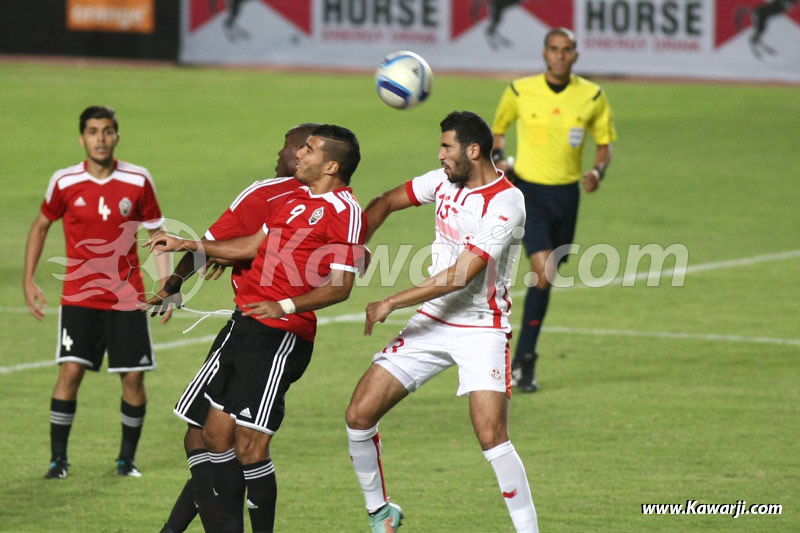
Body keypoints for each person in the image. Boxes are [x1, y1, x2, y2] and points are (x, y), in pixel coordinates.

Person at [147, 124, 366, 533]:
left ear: (331, 165)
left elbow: (342, 284)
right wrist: (188, 246)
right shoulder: (294, 200)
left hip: (281, 333)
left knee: (250, 446)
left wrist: (283, 303)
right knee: (212, 436)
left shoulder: (346, 210)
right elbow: (250, 246)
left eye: (309, 149)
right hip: (247, 324)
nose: (298, 155)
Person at [345, 111, 538, 533]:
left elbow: (460, 275)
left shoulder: (507, 202)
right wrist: (357, 245)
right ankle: (381, 515)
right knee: (359, 414)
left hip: (481, 329)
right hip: (433, 320)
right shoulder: (443, 181)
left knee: (492, 436)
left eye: (447, 147)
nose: (440, 155)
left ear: (473, 150)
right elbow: (385, 201)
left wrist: (390, 302)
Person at [22, 105, 171, 479]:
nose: (100, 139)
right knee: (71, 372)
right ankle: (58, 461)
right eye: (92, 131)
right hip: (79, 298)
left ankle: (126, 460)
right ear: (82, 138)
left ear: (116, 136)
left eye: (106, 131)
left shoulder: (138, 179)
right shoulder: (64, 181)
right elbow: (41, 226)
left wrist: (167, 286)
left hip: (127, 299)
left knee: (133, 378)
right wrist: (28, 279)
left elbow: (157, 234)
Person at [491, 27, 617, 392]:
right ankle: (524, 360)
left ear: (575, 55)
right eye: (555, 49)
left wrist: (597, 171)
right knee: (543, 270)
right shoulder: (519, 90)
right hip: (528, 191)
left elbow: (605, 144)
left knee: (548, 275)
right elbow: (498, 132)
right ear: (545, 53)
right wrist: (501, 159)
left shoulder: (592, 96)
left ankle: (523, 355)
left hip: (567, 196)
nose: (561, 56)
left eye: (567, 50)